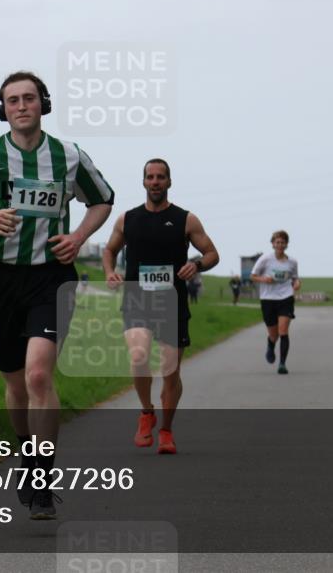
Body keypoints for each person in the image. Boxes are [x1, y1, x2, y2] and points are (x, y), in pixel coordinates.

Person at [0, 71, 114, 519]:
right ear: (2, 109)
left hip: (51, 275)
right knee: (14, 381)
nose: (21, 106)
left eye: (29, 98)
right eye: (12, 100)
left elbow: (103, 199)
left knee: (37, 376)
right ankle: (26, 452)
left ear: (43, 104)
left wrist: (78, 235)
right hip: (0, 278)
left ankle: (43, 478)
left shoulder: (68, 156)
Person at [102, 159, 219, 454]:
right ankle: (146, 412)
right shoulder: (127, 219)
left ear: (169, 182)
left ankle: (166, 430)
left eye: (161, 177)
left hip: (172, 302)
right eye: (150, 177)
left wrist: (196, 265)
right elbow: (109, 250)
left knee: (171, 370)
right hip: (137, 299)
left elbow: (212, 253)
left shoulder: (186, 219)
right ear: (143, 182)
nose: (155, 182)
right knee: (139, 354)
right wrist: (108, 271)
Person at [250, 231, 301, 375]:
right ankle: (271, 345)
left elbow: (295, 277)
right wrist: (263, 279)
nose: (280, 245)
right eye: (277, 242)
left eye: (282, 242)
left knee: (283, 331)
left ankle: (282, 364)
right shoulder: (265, 259)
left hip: (286, 298)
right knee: (274, 334)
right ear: (273, 244)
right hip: (268, 299)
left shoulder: (292, 262)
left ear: (286, 244)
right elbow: (253, 276)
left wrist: (297, 283)